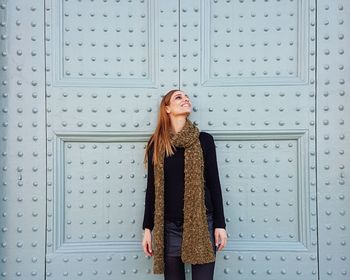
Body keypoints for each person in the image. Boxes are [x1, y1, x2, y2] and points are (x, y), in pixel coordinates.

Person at [141, 89, 228, 280]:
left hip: (202, 224)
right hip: (170, 227)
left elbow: (214, 183)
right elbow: (152, 190)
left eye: (186, 97)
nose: (185, 99)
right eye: (178, 97)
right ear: (167, 108)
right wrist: (147, 229)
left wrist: (220, 225)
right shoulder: (158, 144)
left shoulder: (204, 140)